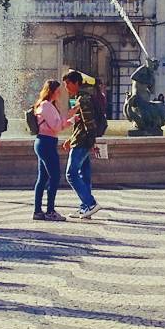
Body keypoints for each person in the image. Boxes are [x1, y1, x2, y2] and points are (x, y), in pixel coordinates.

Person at [61, 70, 101, 220]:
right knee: (84, 175)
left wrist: (91, 142)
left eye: (68, 84)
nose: (67, 88)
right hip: (81, 140)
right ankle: (85, 208)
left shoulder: (83, 99)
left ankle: (90, 203)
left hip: (82, 142)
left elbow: (89, 123)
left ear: (76, 83)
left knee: (71, 174)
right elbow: (82, 124)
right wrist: (71, 138)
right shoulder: (81, 97)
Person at [31, 78, 69, 221]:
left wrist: (68, 119)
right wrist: (69, 118)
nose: (59, 93)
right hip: (47, 143)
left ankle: (37, 211)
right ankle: (50, 211)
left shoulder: (44, 104)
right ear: (52, 91)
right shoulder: (47, 106)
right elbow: (57, 127)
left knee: (43, 178)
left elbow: (56, 125)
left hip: (43, 142)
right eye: (58, 90)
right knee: (55, 176)